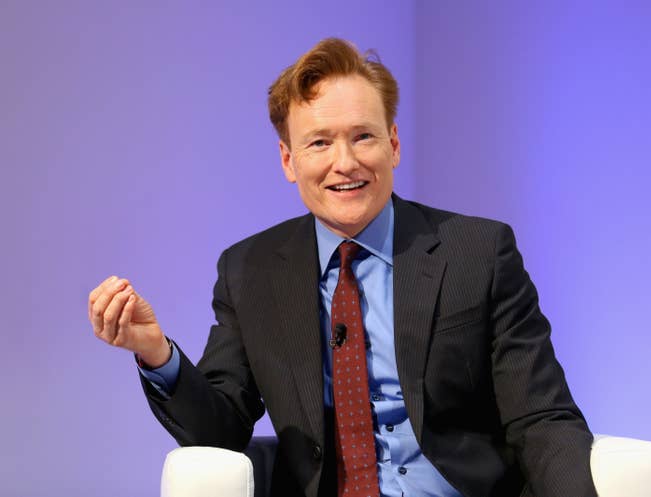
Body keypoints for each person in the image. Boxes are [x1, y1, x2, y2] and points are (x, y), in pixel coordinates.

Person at [88, 38, 597, 497]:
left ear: (393, 145)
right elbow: (222, 430)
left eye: (363, 137)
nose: (345, 162)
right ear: (288, 161)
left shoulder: (478, 251)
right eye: (319, 143)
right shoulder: (251, 270)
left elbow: (541, 416)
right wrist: (157, 355)